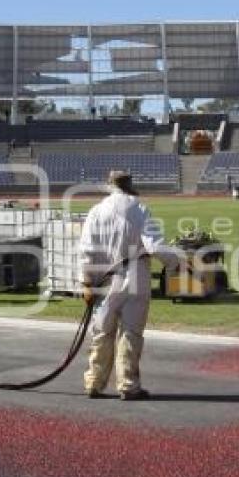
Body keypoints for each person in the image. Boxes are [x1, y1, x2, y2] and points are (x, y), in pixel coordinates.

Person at [78, 170, 182, 401]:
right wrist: (178, 261)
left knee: (101, 332)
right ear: (130, 184)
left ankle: (94, 383)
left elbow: (86, 251)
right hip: (135, 277)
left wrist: (86, 283)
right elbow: (154, 247)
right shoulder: (140, 209)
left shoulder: (96, 211)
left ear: (109, 185)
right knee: (131, 333)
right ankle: (128, 385)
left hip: (103, 280)